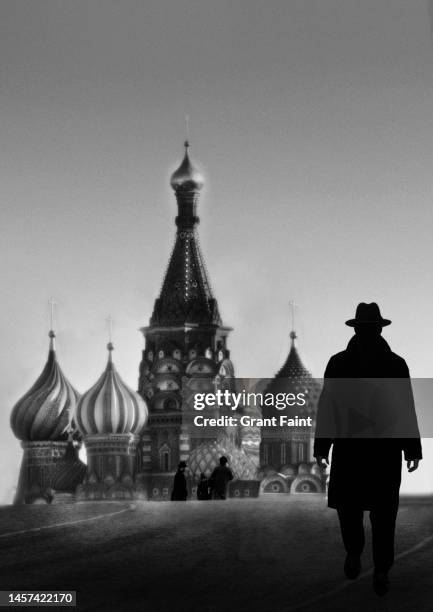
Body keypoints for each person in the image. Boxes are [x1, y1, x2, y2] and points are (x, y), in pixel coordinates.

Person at [314, 303, 422, 596]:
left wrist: (323, 446)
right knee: (378, 514)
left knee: (361, 511)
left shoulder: (339, 363)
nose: (368, 332)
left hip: (354, 451)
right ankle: (378, 567)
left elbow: (328, 408)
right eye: (367, 328)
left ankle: (365, 558)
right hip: (381, 452)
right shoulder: (394, 364)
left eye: (369, 328)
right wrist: (411, 448)